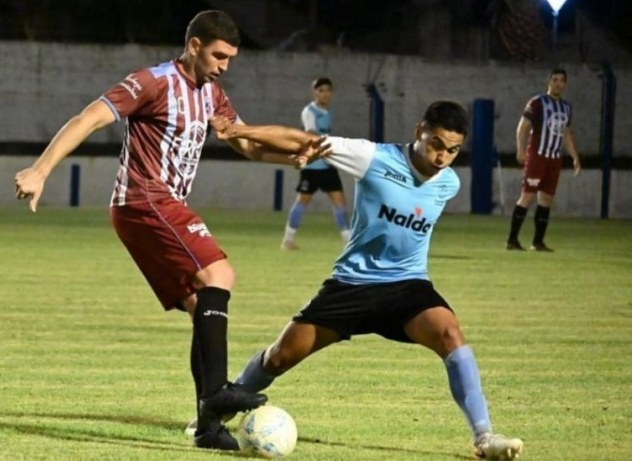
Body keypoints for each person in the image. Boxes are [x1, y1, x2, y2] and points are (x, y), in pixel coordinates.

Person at [13, 10, 323, 451]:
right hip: (144, 201)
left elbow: (247, 146)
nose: (224, 66)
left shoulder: (212, 94)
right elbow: (88, 118)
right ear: (194, 45)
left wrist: (289, 157)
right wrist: (41, 170)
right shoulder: (151, 82)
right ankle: (216, 395)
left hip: (160, 206)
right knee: (220, 275)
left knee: (203, 307)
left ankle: (208, 428)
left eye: (231, 58)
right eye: (218, 55)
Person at [201, 101, 524, 460]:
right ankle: (215, 414)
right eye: (436, 143)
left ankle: (484, 438)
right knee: (279, 357)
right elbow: (302, 139)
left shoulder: (448, 183)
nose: (441, 157)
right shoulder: (372, 157)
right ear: (419, 131)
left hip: (407, 286)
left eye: (452, 150)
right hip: (352, 284)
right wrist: (240, 131)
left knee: (451, 335)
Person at [506, 68, 581, 252]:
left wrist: (575, 157)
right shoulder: (537, 102)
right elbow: (523, 127)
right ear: (549, 81)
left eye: (561, 80)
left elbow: (566, 133)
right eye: (554, 80)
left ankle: (538, 242)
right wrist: (521, 149)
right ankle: (512, 240)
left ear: (565, 84)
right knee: (528, 196)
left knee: (546, 199)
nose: (558, 83)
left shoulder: (566, 108)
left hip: (554, 159)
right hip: (537, 157)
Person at [280, 77, 351, 250]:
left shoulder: (328, 113)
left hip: (327, 163)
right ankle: (288, 240)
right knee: (302, 201)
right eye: (321, 90)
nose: (325, 94)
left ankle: (348, 240)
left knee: (340, 201)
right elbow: (311, 133)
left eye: (328, 90)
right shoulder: (309, 111)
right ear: (315, 93)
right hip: (312, 165)